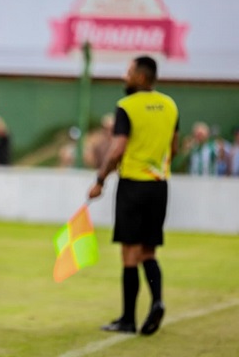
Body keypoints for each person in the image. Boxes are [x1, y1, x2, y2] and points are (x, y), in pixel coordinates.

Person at [88, 56, 179, 336]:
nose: (124, 77)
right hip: (159, 185)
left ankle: (128, 319)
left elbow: (118, 148)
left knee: (129, 252)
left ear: (140, 77)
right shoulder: (170, 105)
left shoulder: (126, 106)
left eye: (128, 72)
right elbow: (174, 147)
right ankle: (157, 301)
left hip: (133, 186)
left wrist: (100, 180)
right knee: (149, 251)